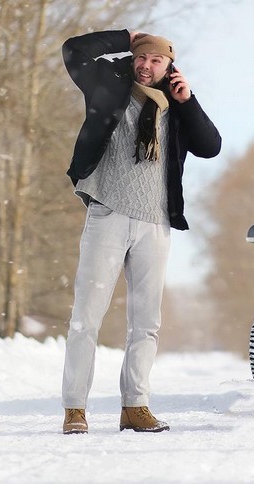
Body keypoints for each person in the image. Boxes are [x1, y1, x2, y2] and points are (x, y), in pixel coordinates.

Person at [60, 29, 221, 434]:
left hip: (155, 221)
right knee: (86, 317)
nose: (146, 66)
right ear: (133, 58)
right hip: (108, 212)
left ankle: (135, 406)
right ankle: (75, 410)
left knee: (146, 322)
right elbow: (73, 51)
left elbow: (210, 146)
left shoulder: (177, 106)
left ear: (170, 67)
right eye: (141, 58)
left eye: (156, 61)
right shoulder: (107, 84)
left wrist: (190, 101)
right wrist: (125, 36)